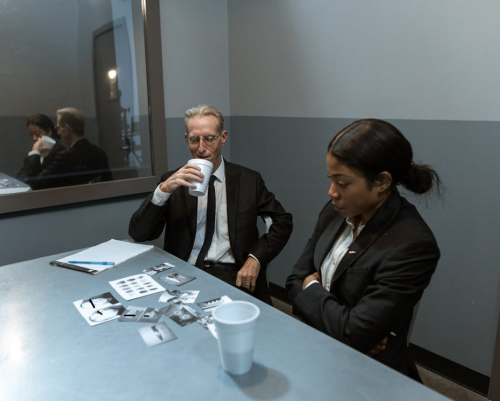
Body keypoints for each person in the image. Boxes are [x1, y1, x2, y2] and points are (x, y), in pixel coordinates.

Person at [286, 119, 441, 381]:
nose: (332, 192)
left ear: (382, 181)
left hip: (370, 373)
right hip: (319, 351)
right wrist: (344, 325)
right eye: (331, 179)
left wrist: (310, 291)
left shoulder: (413, 244)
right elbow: (292, 280)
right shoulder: (334, 212)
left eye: (342, 183)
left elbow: (354, 333)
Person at [129, 104, 293, 305]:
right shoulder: (173, 181)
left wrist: (256, 258)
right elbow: (139, 233)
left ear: (223, 138)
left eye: (209, 138)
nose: (201, 148)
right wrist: (162, 191)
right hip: (183, 271)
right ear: (186, 140)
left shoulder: (248, 180)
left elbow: (282, 221)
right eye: (194, 139)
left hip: (232, 273)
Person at [27, 108, 112, 190]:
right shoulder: (100, 152)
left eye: (58, 128)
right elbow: (108, 182)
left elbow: (36, 184)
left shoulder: (65, 157)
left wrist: (35, 153)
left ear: (67, 130)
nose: (58, 132)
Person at [17, 114, 66, 184]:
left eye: (37, 134)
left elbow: (39, 182)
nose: (34, 138)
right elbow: (20, 176)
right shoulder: (38, 150)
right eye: (31, 135)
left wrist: (34, 154)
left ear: (49, 132)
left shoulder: (60, 153)